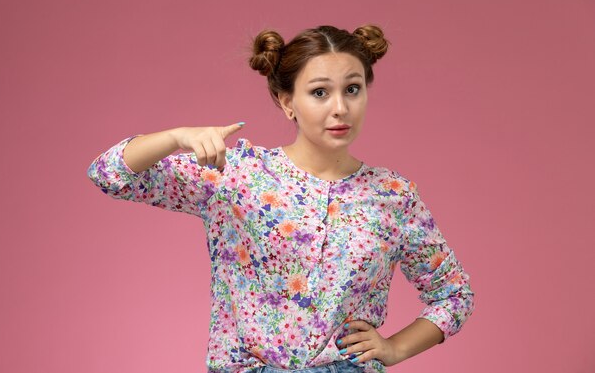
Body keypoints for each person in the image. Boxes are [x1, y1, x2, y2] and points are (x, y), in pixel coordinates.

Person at [87, 24, 475, 373]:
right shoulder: (238, 174)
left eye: (352, 89)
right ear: (287, 101)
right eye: (319, 92)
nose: (340, 107)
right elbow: (109, 174)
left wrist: (394, 348)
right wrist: (175, 137)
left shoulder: (392, 195)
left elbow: (453, 295)